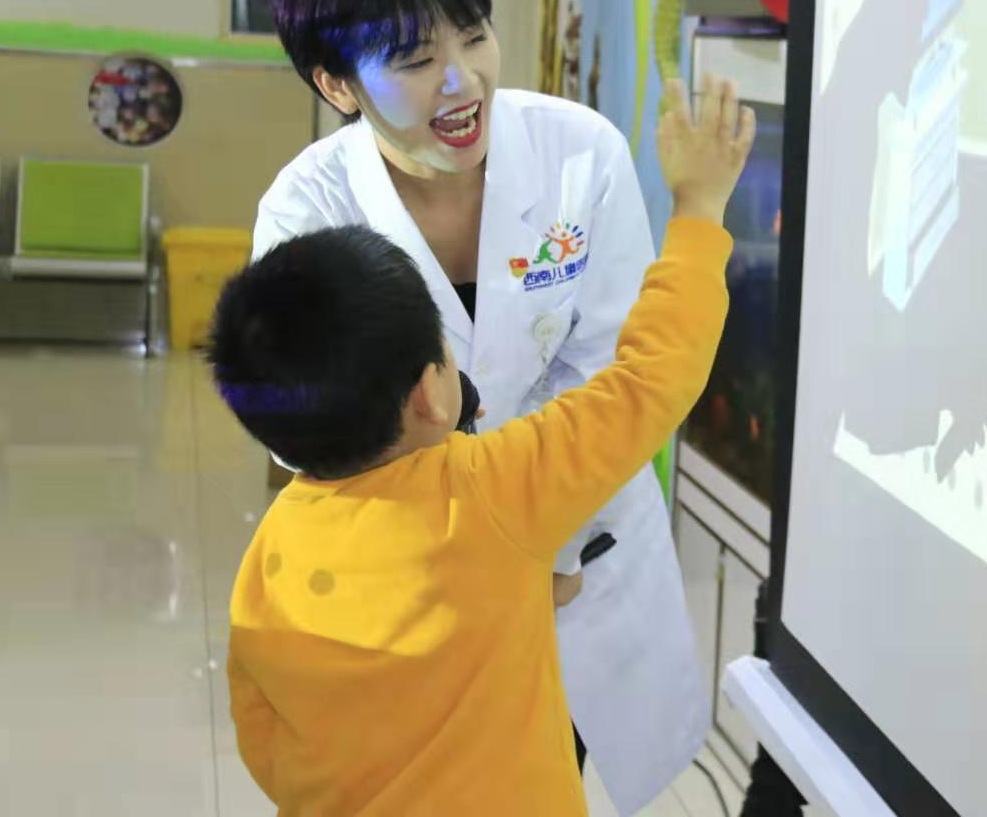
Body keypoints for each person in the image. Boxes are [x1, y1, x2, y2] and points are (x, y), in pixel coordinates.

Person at [251, 0, 707, 812]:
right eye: (415, 60)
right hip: (419, 582)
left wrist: (541, 539)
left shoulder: (580, 153)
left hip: (582, 551)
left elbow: (614, 367)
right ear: (337, 84)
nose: (462, 82)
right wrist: (484, 544)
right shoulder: (308, 214)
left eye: (474, 35)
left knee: (555, 771)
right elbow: (310, 427)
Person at [210, 82, 754, 814]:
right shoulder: (496, 488)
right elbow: (651, 379)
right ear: (432, 396)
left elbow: (261, 729)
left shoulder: (270, 557)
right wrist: (698, 210)